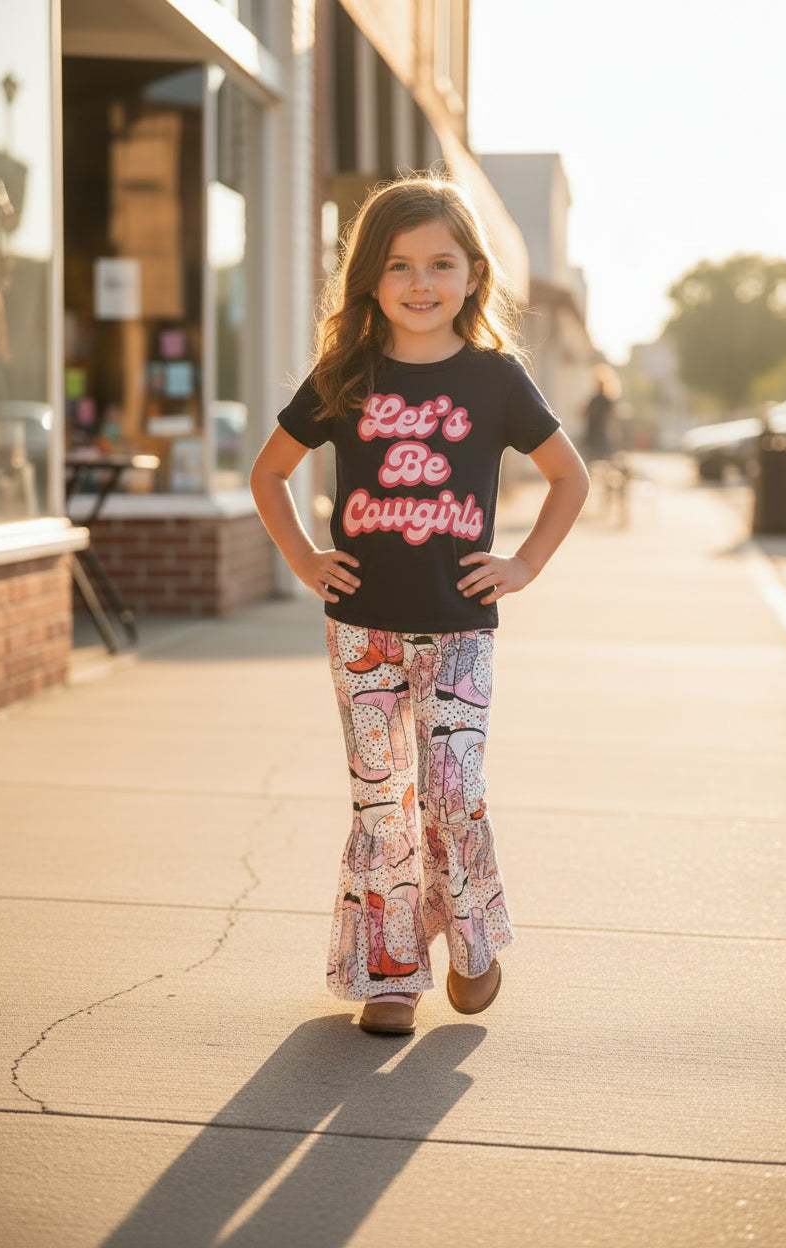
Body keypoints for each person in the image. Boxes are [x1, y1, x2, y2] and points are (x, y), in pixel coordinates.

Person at [250, 175, 589, 1036]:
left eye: (441, 263)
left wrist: (525, 564)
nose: (420, 282)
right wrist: (302, 556)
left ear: (474, 274)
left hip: (462, 628)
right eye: (399, 265)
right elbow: (270, 474)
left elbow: (568, 478)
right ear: (370, 278)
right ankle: (391, 973)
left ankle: (473, 942)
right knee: (381, 798)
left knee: (452, 790)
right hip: (360, 628)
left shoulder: (496, 379)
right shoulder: (346, 376)